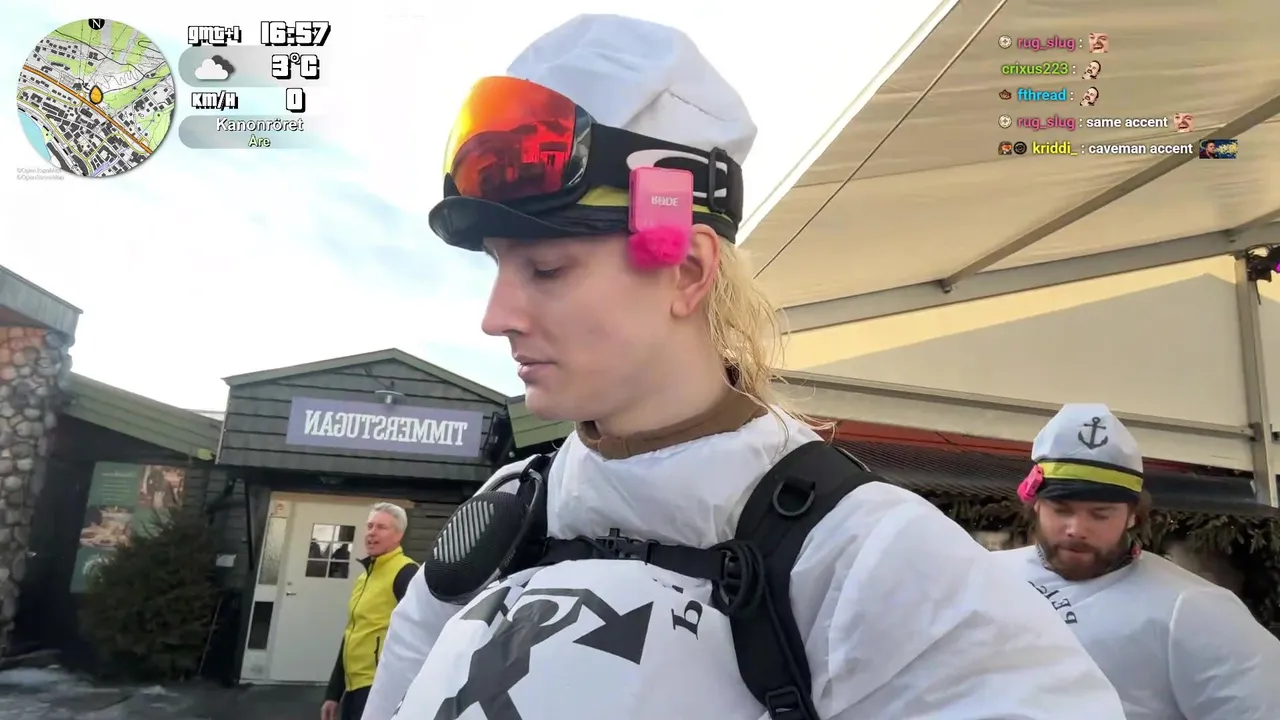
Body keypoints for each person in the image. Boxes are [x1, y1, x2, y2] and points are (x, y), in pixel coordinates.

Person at [362, 14, 1126, 720]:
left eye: (547, 268)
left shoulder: (871, 555)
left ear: (686, 270)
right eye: (496, 266)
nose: (496, 315)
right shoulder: (503, 515)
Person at [995, 404, 1280, 719]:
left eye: (1100, 515)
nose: (1076, 529)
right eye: (1061, 509)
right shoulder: (987, 576)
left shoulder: (1194, 609)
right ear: (1035, 504)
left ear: (1132, 516)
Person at [321, 503, 418, 720]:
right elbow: (352, 634)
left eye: (381, 527)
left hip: (381, 688)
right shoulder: (364, 578)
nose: (372, 533)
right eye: (370, 526)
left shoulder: (407, 573)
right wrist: (333, 693)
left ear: (398, 535)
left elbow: (422, 632)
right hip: (354, 687)